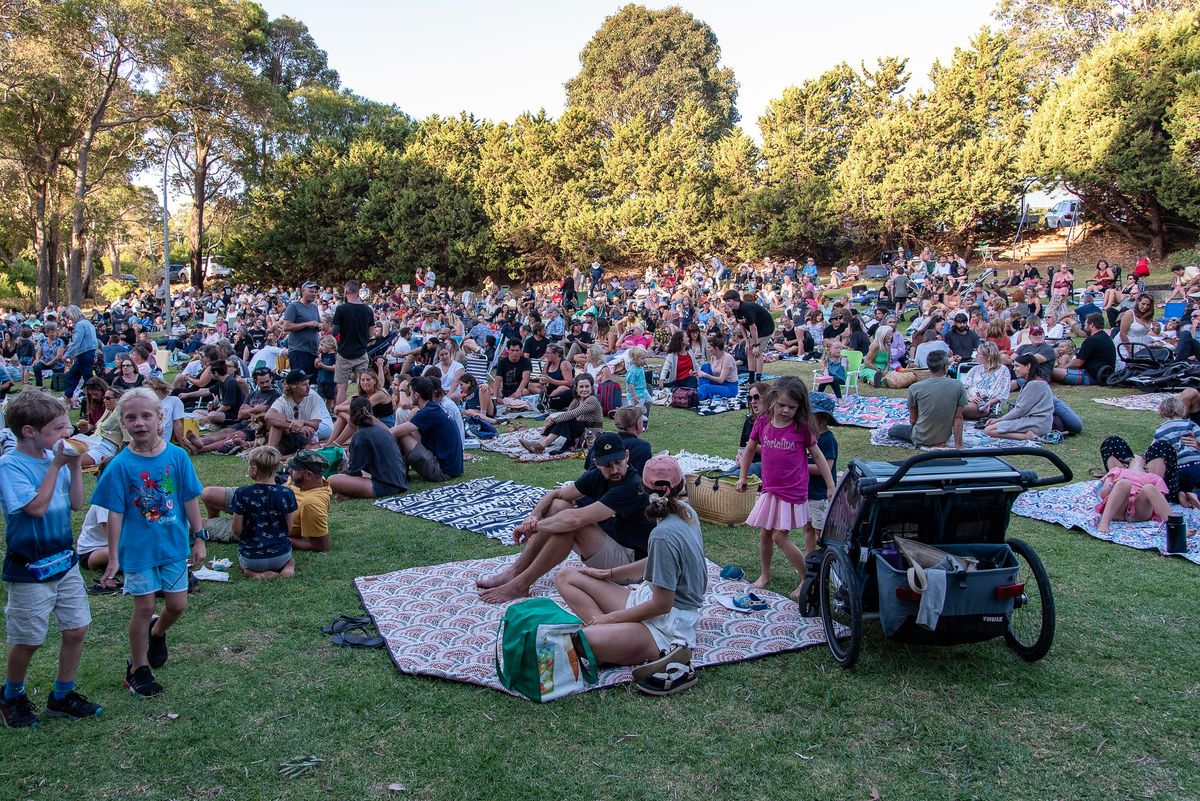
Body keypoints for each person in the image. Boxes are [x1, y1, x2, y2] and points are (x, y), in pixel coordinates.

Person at [554, 455, 705, 693]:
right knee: (566, 576)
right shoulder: (682, 511)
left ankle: (607, 637)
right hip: (646, 600)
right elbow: (657, 561)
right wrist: (609, 572)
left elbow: (662, 605)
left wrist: (610, 619)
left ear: (643, 489)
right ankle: (606, 638)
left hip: (666, 627)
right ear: (680, 485)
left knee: (581, 639)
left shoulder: (664, 532)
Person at [92, 387, 206, 697]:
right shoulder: (119, 465)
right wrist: (113, 557)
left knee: (177, 605)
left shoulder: (177, 455)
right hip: (139, 550)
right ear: (123, 423)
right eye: (131, 418)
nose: (139, 423)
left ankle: (158, 633)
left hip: (172, 546)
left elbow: (188, 497)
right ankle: (138, 669)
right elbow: (114, 513)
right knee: (143, 606)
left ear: (160, 418)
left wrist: (199, 537)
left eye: (146, 416)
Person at [0, 391, 99, 726]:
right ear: (29, 431)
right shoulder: (10, 466)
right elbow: (36, 508)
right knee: (28, 638)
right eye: (59, 429)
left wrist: (70, 463)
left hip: (63, 561)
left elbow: (74, 504)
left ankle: (62, 694)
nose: (66, 434)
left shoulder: (53, 458)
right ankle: (11, 695)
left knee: (76, 628)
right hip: (30, 566)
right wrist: (56, 465)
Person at [477, 432, 653, 604]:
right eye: (607, 465)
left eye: (618, 462)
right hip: (616, 542)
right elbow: (556, 494)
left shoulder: (632, 485)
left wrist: (534, 527)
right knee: (558, 506)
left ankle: (521, 584)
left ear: (627, 456)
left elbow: (575, 520)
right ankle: (515, 571)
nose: (614, 470)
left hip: (633, 565)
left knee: (571, 526)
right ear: (596, 463)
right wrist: (533, 517)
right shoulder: (597, 476)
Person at [736, 377, 835, 598]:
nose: (786, 411)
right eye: (782, 405)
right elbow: (750, 449)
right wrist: (742, 477)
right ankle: (765, 574)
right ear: (772, 400)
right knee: (765, 535)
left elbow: (818, 456)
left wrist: (830, 485)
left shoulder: (801, 428)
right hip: (771, 489)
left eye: (792, 407)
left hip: (792, 491)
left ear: (800, 407)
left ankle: (807, 578)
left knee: (779, 537)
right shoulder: (762, 423)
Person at [228, 446, 298, 579]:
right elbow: (289, 528)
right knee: (291, 559)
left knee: (242, 561)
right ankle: (288, 567)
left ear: (254, 469)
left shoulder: (242, 493)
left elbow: (236, 530)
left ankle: (252, 573)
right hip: (280, 556)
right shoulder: (287, 493)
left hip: (252, 559)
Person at [327, 396, 408, 499]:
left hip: (386, 486)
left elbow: (354, 472)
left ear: (351, 415)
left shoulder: (360, 436)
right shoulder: (381, 429)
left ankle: (351, 495)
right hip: (400, 481)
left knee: (332, 480)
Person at [389, 376, 463, 482]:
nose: (410, 397)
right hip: (452, 468)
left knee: (403, 435)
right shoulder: (434, 407)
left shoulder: (428, 412)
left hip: (443, 472)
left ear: (417, 395)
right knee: (404, 430)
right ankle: (399, 472)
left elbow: (393, 432)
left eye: (411, 393)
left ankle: (397, 474)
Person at [886, 350, 966, 448]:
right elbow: (958, 419)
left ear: (928, 366)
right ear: (945, 367)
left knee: (893, 430)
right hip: (944, 437)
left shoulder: (914, 388)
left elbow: (913, 419)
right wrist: (958, 446)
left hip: (921, 437)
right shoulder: (958, 385)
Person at [521, 373, 602, 454]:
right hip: (581, 431)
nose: (584, 389)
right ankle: (539, 444)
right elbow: (567, 413)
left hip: (592, 434)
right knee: (562, 419)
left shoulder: (592, 400)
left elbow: (573, 414)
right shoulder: (576, 400)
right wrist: (551, 419)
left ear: (591, 388)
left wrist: (554, 420)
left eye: (587, 386)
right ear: (576, 389)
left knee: (565, 419)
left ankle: (541, 446)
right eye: (581, 387)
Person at [984, 355, 1054, 441]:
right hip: (1036, 422)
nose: (1014, 369)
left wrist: (999, 420)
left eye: (1017, 366)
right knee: (992, 427)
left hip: (1037, 423)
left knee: (989, 430)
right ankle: (1025, 434)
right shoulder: (1033, 382)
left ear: (1028, 366)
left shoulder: (1035, 384)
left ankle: (1027, 437)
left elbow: (1020, 410)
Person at [1095, 456, 1172, 534]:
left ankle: (1176, 525)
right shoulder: (1117, 470)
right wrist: (1113, 485)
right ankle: (1104, 523)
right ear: (1126, 464)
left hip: (1140, 511)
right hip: (1118, 508)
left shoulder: (1155, 477)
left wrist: (1144, 494)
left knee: (1149, 487)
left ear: (1145, 465)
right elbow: (1103, 494)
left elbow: (1160, 501)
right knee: (1123, 483)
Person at [803, 392, 839, 550]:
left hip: (820, 495)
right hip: (807, 493)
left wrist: (800, 465)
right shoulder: (808, 437)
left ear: (823, 418)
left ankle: (824, 559)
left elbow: (825, 468)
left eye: (809, 416)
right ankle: (811, 559)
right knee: (807, 527)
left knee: (821, 532)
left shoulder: (827, 440)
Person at [331, 280, 376, 406]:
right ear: (358, 292)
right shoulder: (367, 310)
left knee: (341, 387)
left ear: (345, 291)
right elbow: (371, 333)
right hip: (361, 353)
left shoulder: (341, 309)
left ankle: (340, 413)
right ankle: (360, 411)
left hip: (344, 352)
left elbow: (334, 331)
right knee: (362, 386)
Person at [264, 370, 328, 455]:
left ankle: (282, 456)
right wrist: (293, 425)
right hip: (288, 435)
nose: (308, 388)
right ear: (294, 387)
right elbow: (268, 416)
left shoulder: (313, 398)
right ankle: (270, 453)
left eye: (308, 384)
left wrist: (303, 422)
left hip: (305, 435)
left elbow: (315, 425)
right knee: (276, 425)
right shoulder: (283, 400)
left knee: (313, 443)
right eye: (304, 385)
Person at [722, 289, 774, 382]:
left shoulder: (746, 309)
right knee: (749, 351)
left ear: (736, 299)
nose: (727, 303)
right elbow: (741, 325)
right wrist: (746, 341)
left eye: (729, 301)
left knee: (756, 352)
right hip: (755, 329)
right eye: (726, 301)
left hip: (765, 328)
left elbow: (753, 327)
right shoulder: (735, 310)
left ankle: (758, 378)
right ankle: (751, 378)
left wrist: (756, 345)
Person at [1053, 313, 1116, 385]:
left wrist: (1063, 368)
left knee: (1050, 371)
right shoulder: (1106, 337)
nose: (1084, 327)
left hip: (1091, 377)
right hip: (1105, 376)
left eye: (1085, 325)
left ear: (1092, 325)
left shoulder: (1091, 340)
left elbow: (1077, 363)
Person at [586, 405, 651, 473]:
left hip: (593, 482)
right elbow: (642, 478)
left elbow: (587, 471)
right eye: (642, 420)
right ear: (638, 424)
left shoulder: (601, 441)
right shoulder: (642, 447)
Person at [282, 280, 322, 379]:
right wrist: (306, 324)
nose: (314, 294)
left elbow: (318, 324)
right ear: (303, 291)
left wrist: (319, 326)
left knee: (312, 383)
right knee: (300, 382)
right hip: (298, 351)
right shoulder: (294, 306)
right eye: (311, 291)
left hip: (312, 351)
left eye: (315, 292)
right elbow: (286, 327)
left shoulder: (314, 307)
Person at [960, 342, 1010, 420]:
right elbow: (963, 387)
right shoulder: (975, 369)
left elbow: (1003, 394)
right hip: (969, 399)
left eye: (978, 354)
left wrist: (989, 403)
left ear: (988, 356)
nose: (976, 355)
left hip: (986, 405)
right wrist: (970, 397)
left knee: (956, 407)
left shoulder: (1002, 370)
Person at [61, 305, 97, 409]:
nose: (68, 319)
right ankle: (68, 398)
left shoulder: (80, 325)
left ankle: (94, 400)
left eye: (68, 316)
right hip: (88, 352)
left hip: (83, 353)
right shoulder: (88, 323)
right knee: (73, 375)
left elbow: (76, 342)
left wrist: (67, 355)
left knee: (88, 378)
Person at [697, 335, 738, 402]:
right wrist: (698, 373)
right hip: (717, 383)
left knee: (706, 387)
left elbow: (721, 380)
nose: (708, 349)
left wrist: (704, 375)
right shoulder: (713, 356)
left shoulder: (727, 358)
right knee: (705, 367)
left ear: (716, 348)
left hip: (729, 387)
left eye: (709, 348)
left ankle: (697, 397)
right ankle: (704, 392)